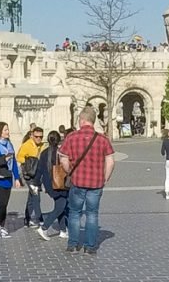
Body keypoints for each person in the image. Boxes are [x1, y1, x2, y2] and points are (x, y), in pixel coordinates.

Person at [59, 105, 115, 255]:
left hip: (77, 181)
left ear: (82, 120)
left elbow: (63, 158)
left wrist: (69, 171)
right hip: (96, 183)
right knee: (92, 214)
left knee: (74, 213)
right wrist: (105, 178)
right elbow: (110, 161)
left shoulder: (71, 137)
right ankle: (90, 246)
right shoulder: (103, 139)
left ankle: (73, 244)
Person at [36, 130, 69, 240]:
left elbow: (39, 170)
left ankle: (63, 230)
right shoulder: (60, 152)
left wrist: (37, 183)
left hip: (49, 185)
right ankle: (44, 227)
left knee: (59, 205)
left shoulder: (44, 153)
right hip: (60, 183)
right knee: (60, 206)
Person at [16, 127, 43, 223]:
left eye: (41, 136)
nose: (39, 139)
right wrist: (29, 162)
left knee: (31, 197)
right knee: (36, 196)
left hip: (38, 175)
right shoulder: (26, 145)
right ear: (32, 135)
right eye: (36, 137)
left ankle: (27, 218)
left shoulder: (42, 145)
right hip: (29, 175)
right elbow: (19, 157)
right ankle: (40, 219)